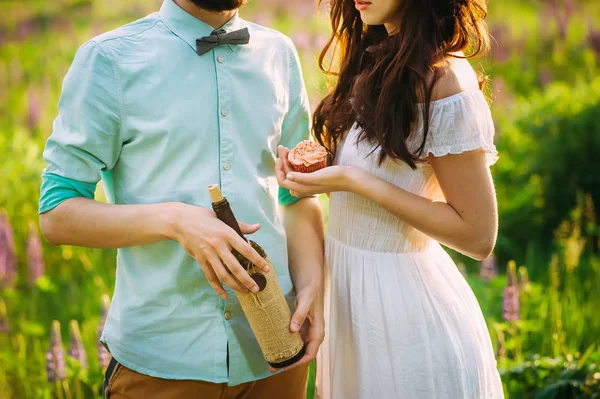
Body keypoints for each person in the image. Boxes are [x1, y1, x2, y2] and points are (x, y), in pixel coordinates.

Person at [38, 0, 325, 398]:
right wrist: (176, 220)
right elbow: (56, 214)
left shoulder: (279, 53)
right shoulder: (108, 60)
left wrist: (313, 284)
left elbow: (296, 193)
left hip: (280, 352)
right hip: (164, 366)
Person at [276, 0, 504, 397]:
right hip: (352, 303)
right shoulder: (378, 56)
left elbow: (479, 236)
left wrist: (351, 180)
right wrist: (315, 170)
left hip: (405, 313)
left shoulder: (444, 79)